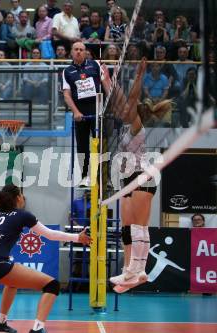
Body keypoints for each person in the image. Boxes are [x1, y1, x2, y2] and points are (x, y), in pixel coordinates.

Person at [0, 184, 91, 333]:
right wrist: (77, 237)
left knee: (11, 283)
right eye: (22, 195)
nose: (24, 198)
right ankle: (38, 328)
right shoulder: (22, 215)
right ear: (17, 198)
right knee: (52, 285)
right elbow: (50, 235)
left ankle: (0, 324)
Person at [101, 58, 174, 293]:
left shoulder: (137, 126)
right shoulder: (125, 126)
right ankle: (129, 269)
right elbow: (119, 99)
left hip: (143, 176)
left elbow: (129, 100)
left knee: (139, 227)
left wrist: (140, 76)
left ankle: (139, 270)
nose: (121, 110)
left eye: (127, 110)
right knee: (126, 227)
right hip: (128, 179)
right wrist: (107, 81)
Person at [62, 42, 102, 187]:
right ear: (71, 52)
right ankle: (85, 176)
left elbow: (107, 84)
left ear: (86, 52)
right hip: (80, 112)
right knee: (82, 146)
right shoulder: (67, 71)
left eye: (81, 50)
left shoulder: (95, 65)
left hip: (97, 110)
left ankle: (103, 176)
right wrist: (76, 112)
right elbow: (67, 95)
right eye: (76, 49)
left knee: (101, 143)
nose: (79, 52)